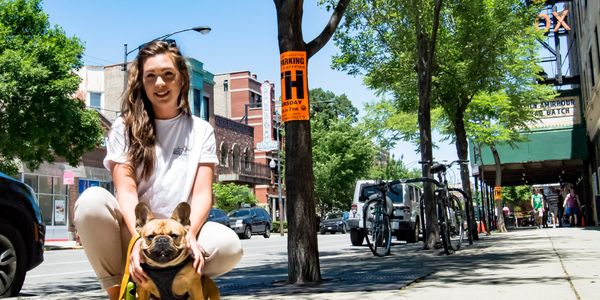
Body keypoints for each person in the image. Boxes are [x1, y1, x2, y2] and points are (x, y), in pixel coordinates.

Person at [74, 40, 243, 300]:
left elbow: (201, 195)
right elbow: (127, 190)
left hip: (180, 232)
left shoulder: (201, 130)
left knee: (228, 245)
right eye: (151, 76)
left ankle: (182, 282)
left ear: (182, 79)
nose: (160, 83)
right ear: (141, 82)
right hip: (136, 230)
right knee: (90, 202)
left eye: (168, 75)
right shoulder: (123, 127)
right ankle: (121, 292)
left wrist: (190, 237)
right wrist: (139, 240)